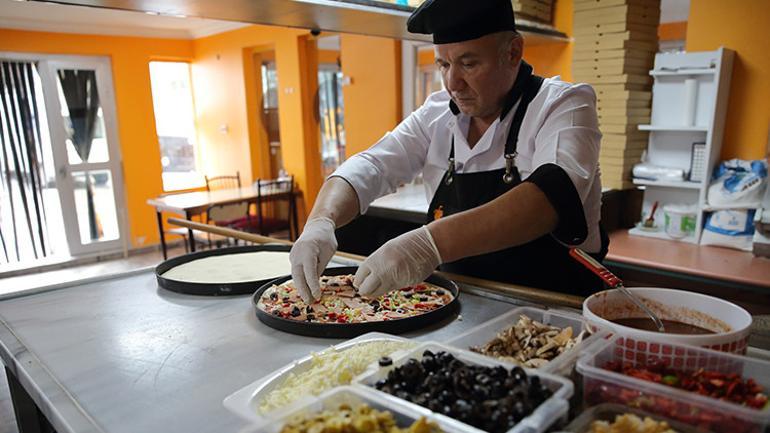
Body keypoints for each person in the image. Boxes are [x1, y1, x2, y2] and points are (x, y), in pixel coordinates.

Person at [289, 0, 608, 304]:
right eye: (443, 64)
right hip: (463, 306)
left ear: (512, 52)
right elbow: (371, 166)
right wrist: (321, 221)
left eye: (468, 64)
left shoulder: (564, 104)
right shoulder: (437, 114)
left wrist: (427, 244)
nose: (453, 83)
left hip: (553, 307)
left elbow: (548, 200)